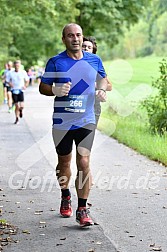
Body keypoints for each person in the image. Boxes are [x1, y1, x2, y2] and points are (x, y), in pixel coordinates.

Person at [39, 23, 108, 227]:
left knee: (84, 162)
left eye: (78, 35)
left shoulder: (94, 59)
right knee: (64, 163)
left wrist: (102, 90)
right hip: (62, 121)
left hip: (86, 120)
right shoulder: (56, 62)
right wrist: (55, 90)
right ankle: (65, 194)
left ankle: (82, 208)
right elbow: (43, 87)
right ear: (64, 39)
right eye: (70, 35)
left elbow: (102, 79)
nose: (75, 39)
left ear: (82, 37)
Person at [82, 36, 112, 124]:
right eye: (84, 46)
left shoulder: (96, 65)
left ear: (93, 51)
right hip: (76, 104)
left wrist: (94, 85)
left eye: (89, 47)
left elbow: (109, 86)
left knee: (88, 135)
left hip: (93, 105)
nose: (86, 49)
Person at [6, 60, 29, 124]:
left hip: (21, 90)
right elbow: (7, 80)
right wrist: (10, 84)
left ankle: (21, 111)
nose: (17, 67)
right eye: (16, 65)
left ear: (20, 66)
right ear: (14, 66)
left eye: (18, 65)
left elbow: (27, 80)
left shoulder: (23, 72)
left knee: (22, 106)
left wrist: (25, 86)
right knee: (16, 106)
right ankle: (17, 118)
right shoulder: (10, 73)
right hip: (14, 90)